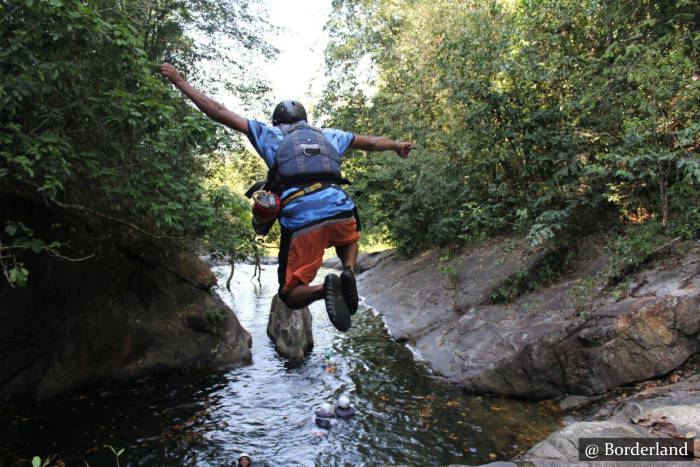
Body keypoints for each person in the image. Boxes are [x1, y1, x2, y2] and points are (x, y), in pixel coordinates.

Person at [160, 63, 414, 331]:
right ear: (305, 120)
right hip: (342, 212)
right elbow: (372, 143)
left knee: (290, 295)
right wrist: (397, 146)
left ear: (278, 122)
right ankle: (348, 269)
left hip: (304, 224)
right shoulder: (329, 136)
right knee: (347, 234)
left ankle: (327, 286)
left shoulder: (268, 134)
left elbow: (219, 112)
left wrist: (179, 81)